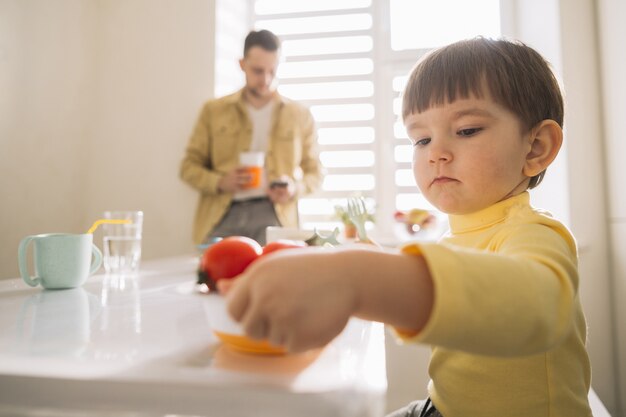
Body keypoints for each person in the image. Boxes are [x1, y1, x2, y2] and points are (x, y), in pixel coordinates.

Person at [223, 37, 593, 417]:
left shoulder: (534, 232)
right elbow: (444, 287)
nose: (436, 153)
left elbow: (537, 308)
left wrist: (360, 277)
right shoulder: (455, 237)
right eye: (421, 138)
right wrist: (370, 262)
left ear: (535, 148)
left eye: (466, 130)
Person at [180, 29, 322, 245]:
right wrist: (220, 182)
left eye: (272, 71)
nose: (265, 79)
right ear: (242, 64)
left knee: (273, 278)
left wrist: (293, 189)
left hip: (274, 217)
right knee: (209, 275)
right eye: (257, 71)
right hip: (221, 216)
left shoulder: (299, 115)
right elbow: (188, 167)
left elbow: (316, 173)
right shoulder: (213, 111)